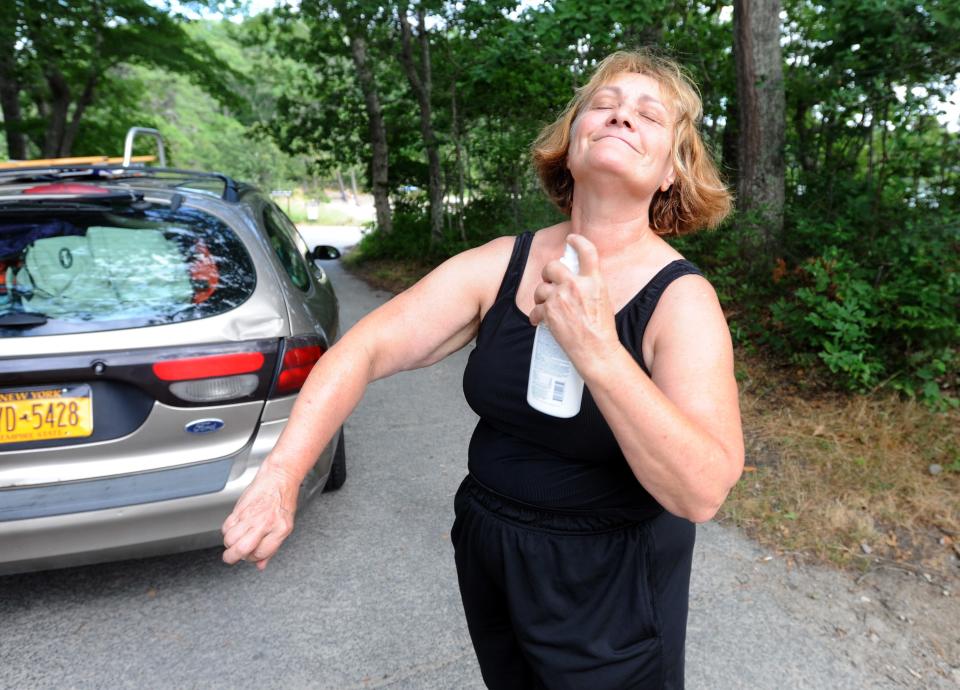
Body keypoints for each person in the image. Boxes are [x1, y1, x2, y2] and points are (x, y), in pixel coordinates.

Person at [222, 49, 744, 689]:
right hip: (492, 552)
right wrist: (281, 475)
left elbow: (702, 490)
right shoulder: (499, 263)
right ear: (570, 144)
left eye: (648, 115)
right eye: (602, 106)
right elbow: (361, 351)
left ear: (671, 171)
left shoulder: (681, 299)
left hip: (610, 580)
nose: (620, 117)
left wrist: (597, 350)